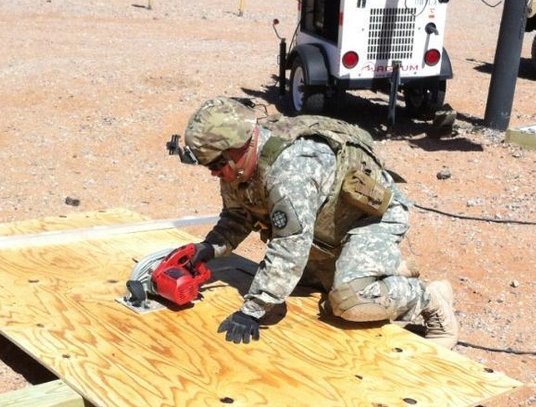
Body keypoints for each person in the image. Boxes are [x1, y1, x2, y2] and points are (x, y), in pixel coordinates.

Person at [182, 97, 457, 347]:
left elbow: (290, 246)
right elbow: (237, 216)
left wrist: (252, 310)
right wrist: (208, 249)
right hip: (327, 231)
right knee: (306, 291)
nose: (215, 174)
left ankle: (430, 299)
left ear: (238, 146)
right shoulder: (239, 167)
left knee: (348, 301)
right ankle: (384, 270)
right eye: (210, 167)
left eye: (217, 165)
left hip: (368, 222)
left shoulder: (291, 169)